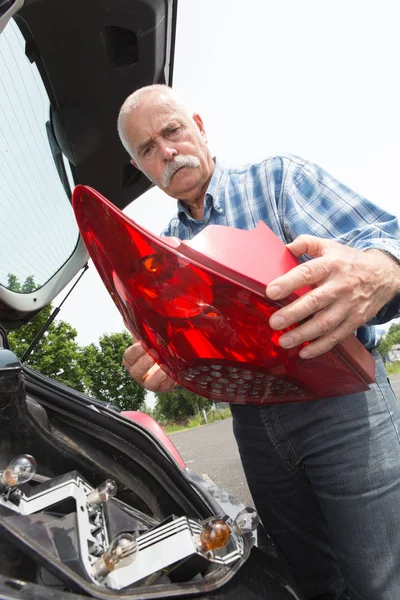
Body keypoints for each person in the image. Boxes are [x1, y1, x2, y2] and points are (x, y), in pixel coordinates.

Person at [117, 84, 400, 600]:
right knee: (311, 580)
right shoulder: (165, 255)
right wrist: (171, 364)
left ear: (199, 126)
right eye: (147, 150)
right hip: (253, 426)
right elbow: (202, 355)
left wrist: (383, 267)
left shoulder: (278, 179)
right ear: (141, 169)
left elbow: (387, 236)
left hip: (341, 404)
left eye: (172, 131)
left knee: (379, 580)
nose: (166, 152)